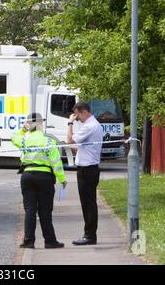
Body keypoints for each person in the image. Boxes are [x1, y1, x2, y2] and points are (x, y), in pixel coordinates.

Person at [12, 112, 67, 249]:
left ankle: (28, 241)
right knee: (45, 211)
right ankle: (49, 241)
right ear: (41, 125)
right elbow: (56, 163)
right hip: (45, 178)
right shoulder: (49, 141)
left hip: (27, 176)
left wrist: (23, 129)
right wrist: (62, 179)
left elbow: (14, 138)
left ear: (29, 125)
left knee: (30, 210)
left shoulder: (25, 140)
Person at [67, 101, 103, 246]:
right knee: (88, 203)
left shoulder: (89, 126)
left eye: (77, 116)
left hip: (87, 170)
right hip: (88, 168)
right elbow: (76, 146)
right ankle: (89, 234)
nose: (77, 119)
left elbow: (69, 140)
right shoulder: (93, 125)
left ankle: (89, 236)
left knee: (88, 204)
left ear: (84, 112)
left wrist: (69, 123)